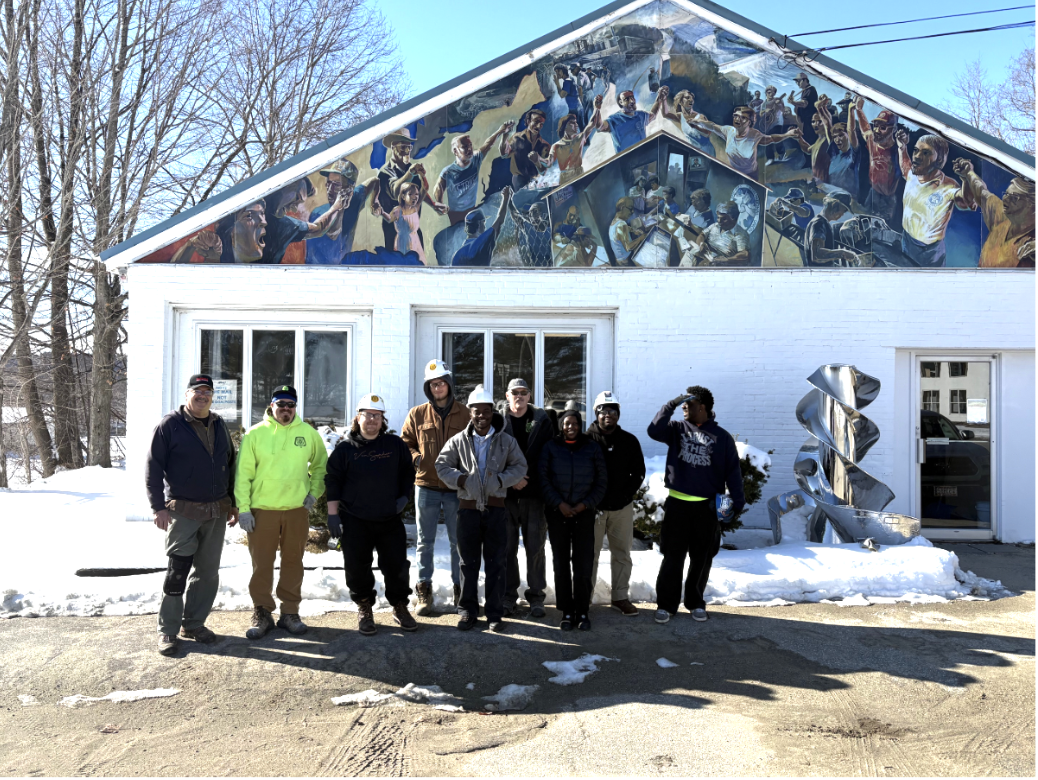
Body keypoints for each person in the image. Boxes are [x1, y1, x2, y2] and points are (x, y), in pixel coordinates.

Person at [146, 374, 238, 656]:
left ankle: (194, 624)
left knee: (207, 573)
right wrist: (158, 507)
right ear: (187, 394)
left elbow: (230, 464)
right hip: (183, 512)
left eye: (207, 391)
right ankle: (168, 630)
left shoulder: (219, 424)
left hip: (216, 512)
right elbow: (153, 467)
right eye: (197, 391)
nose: (202, 395)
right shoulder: (170, 425)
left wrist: (233, 503)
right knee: (177, 573)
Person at [235, 385, 328, 639]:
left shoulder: (308, 434)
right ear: (271, 405)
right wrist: (244, 508)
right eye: (281, 404)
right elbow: (243, 474)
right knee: (262, 563)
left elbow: (320, 466)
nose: (286, 409)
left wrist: (313, 493)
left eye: (290, 405)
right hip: (262, 510)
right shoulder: (255, 434)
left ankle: (289, 612)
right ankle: (262, 612)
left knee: (293, 562)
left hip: (296, 510)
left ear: (295, 407)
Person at [647, 386, 745, 624]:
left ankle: (695, 602)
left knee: (701, 558)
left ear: (701, 407)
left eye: (688, 403)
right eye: (682, 403)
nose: (684, 406)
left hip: (706, 508)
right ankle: (666, 605)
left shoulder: (722, 437)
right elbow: (653, 430)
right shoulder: (676, 429)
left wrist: (737, 503)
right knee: (673, 557)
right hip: (677, 506)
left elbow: (733, 472)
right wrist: (670, 405)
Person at [435, 385, 528, 632]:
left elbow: (520, 467)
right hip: (467, 510)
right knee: (468, 563)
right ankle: (467, 611)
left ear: (492, 412)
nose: (482, 416)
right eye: (477, 411)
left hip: (496, 510)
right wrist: (462, 480)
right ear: (470, 413)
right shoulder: (458, 441)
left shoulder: (506, 441)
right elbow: (442, 465)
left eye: (486, 411)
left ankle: (494, 614)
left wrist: (500, 481)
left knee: (496, 563)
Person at [325, 394, 417, 636]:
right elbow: (332, 481)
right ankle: (364, 606)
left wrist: (404, 498)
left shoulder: (394, 445)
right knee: (357, 567)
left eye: (377, 415)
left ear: (382, 419)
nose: (372, 420)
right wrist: (333, 515)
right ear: (358, 418)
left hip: (389, 519)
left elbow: (408, 472)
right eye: (368, 415)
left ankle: (399, 606)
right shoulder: (345, 450)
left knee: (397, 566)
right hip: (355, 520)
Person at [400, 360, 470, 615]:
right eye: (432, 384)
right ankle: (424, 590)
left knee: (457, 542)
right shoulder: (417, 414)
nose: (437, 387)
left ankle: (461, 590)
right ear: (428, 388)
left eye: (441, 383)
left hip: (455, 487)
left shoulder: (465, 414)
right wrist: (416, 458)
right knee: (424, 541)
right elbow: (405, 442)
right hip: (426, 485)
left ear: (449, 384)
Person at [538, 401, 608, 631]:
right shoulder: (550, 447)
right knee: (560, 563)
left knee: (583, 564)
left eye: (575, 423)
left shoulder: (592, 447)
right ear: (561, 425)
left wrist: (585, 505)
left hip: (583, 514)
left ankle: (582, 610)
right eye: (567, 423)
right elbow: (543, 478)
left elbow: (601, 481)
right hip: (558, 514)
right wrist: (559, 504)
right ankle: (566, 610)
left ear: (580, 425)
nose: (571, 427)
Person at [498, 378, 557, 617]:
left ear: (529, 396)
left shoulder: (542, 421)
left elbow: (548, 456)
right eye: (515, 392)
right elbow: (494, 455)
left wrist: (526, 479)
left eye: (523, 392)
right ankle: (508, 595)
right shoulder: (498, 422)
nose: (519, 396)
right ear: (507, 395)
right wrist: (513, 479)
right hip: (506, 495)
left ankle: (536, 596)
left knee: (535, 547)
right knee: (507, 548)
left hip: (534, 495)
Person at [586, 391, 645, 617]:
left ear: (618, 414)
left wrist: (625, 495)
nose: (608, 415)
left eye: (612, 411)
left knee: (622, 554)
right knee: (589, 555)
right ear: (596, 413)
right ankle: (584, 598)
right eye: (603, 411)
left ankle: (620, 597)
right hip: (592, 509)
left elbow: (638, 472)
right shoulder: (586, 440)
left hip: (621, 508)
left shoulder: (629, 441)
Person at [896, 130, 971, 267]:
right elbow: (904, 165)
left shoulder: (948, 186)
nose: (917, 156)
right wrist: (902, 147)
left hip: (930, 253)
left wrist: (966, 179)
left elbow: (966, 203)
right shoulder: (912, 175)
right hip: (906, 241)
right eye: (916, 150)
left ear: (940, 159)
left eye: (926, 153)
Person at [370, 127, 448, 250]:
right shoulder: (385, 172)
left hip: (413, 228)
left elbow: (419, 191)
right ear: (393, 147)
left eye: (409, 147)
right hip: (395, 232)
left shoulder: (411, 168)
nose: (407, 151)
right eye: (403, 147)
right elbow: (395, 191)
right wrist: (410, 174)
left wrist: (433, 205)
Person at [953, 159, 1036, 268]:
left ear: (1032, 204)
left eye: (1014, 197)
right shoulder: (1001, 216)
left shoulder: (1032, 241)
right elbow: (981, 192)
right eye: (1006, 194)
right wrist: (969, 173)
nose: (1006, 199)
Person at [433, 123, 514, 226]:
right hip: (456, 214)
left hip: (472, 209)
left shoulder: (476, 159)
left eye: (470, 145)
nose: (469, 149)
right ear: (455, 151)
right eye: (464, 147)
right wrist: (439, 202)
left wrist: (501, 131)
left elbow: (488, 144)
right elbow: (438, 187)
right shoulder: (448, 171)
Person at [687, 106, 798, 181]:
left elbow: (772, 139)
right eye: (735, 115)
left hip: (751, 175)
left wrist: (787, 134)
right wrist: (697, 122)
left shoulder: (754, 135)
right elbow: (711, 126)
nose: (737, 119)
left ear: (750, 122)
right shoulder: (728, 131)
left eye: (743, 117)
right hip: (733, 172)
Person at [306, 160, 379, 264]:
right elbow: (333, 234)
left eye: (337, 184)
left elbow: (374, 181)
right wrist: (338, 208)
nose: (330, 189)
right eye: (329, 183)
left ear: (350, 188)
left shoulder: (355, 199)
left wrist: (374, 201)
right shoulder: (317, 214)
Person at [260, 178, 345, 264]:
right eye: (297, 198)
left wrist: (336, 207)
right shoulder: (253, 212)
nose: (294, 209)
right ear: (283, 187)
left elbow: (318, 228)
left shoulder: (285, 226)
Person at [853, 100, 902, 223]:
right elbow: (865, 129)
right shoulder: (872, 143)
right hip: (873, 193)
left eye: (883, 128)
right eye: (875, 126)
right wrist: (859, 110)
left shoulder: (898, 151)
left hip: (887, 199)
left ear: (894, 129)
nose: (877, 130)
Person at [591, 87, 669, 154]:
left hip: (644, 158)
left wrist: (660, 97)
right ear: (621, 102)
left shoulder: (640, 115)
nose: (631, 101)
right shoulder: (614, 119)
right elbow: (600, 126)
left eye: (632, 97)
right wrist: (597, 109)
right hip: (626, 161)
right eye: (627, 99)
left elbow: (653, 115)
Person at [451, 187, 513, 267]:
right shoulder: (481, 242)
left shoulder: (457, 255)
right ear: (480, 224)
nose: (484, 226)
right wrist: (506, 198)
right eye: (484, 222)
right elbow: (499, 221)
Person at [529, 113, 594, 185]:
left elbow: (592, 123)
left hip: (579, 174)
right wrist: (539, 158)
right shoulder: (557, 146)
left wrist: (596, 109)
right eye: (572, 123)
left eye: (576, 122)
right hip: (565, 178)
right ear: (564, 126)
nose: (576, 125)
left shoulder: (579, 138)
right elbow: (549, 163)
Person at [376, 180, 429, 263]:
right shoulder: (398, 210)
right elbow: (389, 219)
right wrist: (382, 212)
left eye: (416, 194)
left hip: (415, 243)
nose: (414, 197)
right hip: (402, 243)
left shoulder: (416, 208)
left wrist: (422, 175)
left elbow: (425, 188)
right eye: (410, 194)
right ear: (403, 196)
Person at [803, 192, 858, 267]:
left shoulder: (822, 222)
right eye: (844, 210)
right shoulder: (819, 224)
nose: (843, 214)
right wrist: (843, 253)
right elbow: (816, 255)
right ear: (834, 205)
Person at [499, 109, 550, 190]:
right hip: (519, 181)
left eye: (541, 124)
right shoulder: (517, 138)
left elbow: (543, 171)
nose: (538, 126)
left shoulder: (545, 145)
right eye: (536, 122)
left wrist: (537, 161)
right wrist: (505, 135)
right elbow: (504, 154)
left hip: (537, 182)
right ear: (528, 121)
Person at [689, 200, 751, 266]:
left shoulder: (740, 234)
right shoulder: (715, 226)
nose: (719, 221)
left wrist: (726, 260)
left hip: (722, 265)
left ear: (733, 218)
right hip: (705, 258)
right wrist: (701, 244)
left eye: (724, 219)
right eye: (718, 217)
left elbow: (745, 254)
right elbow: (702, 235)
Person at [609, 197, 646, 265]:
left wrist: (633, 230)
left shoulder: (615, 221)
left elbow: (622, 231)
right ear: (622, 208)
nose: (632, 211)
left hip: (619, 259)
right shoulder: (621, 225)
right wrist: (641, 238)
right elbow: (628, 247)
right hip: (626, 261)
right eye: (630, 208)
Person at [790, 72, 819, 145]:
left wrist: (793, 102)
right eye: (796, 82)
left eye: (798, 81)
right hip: (806, 121)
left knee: (809, 140)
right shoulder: (805, 90)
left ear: (805, 80)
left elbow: (804, 103)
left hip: (810, 120)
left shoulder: (810, 89)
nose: (797, 83)